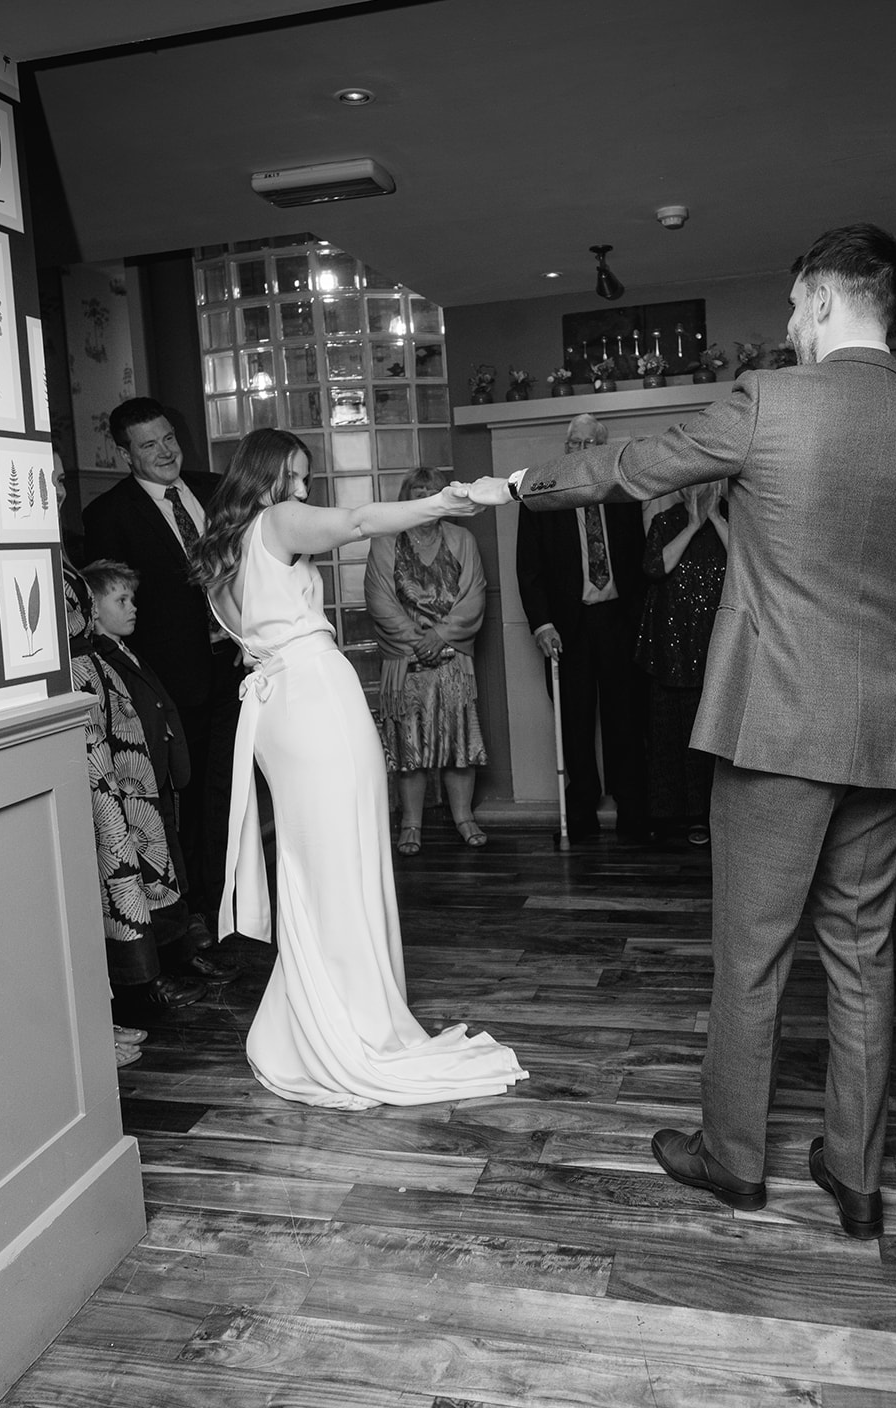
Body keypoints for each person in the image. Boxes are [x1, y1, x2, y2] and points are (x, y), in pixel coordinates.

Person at [467, 224, 896, 1238]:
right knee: (860, 953)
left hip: (773, 727)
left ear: (826, 299)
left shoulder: (771, 403)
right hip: (890, 732)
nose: (789, 324)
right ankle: (855, 1174)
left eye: (795, 305)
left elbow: (630, 467)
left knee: (749, 956)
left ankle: (733, 1160)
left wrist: (518, 486)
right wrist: (878, 651)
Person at [191, 428, 527, 1110]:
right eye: (298, 475)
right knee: (345, 856)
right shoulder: (277, 519)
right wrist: (448, 500)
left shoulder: (222, 552)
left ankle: (317, 1013)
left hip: (276, 712)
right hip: (315, 700)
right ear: (272, 472)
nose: (305, 490)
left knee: (316, 865)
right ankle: (356, 1023)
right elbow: (358, 522)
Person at [54, 454, 205, 1052]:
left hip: (107, 716)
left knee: (142, 846)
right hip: (83, 715)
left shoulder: (57, 549)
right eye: (56, 476)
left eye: (66, 476)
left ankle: (150, 976)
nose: (62, 488)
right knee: (112, 854)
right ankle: (128, 991)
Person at [83, 397, 238, 943]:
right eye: (149, 445)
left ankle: (237, 899)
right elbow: (113, 614)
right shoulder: (107, 516)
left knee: (234, 788)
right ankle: (197, 911)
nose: (166, 451)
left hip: (241, 667)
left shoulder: (218, 489)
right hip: (175, 683)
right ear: (125, 454)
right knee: (187, 797)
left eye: (169, 438)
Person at [85, 558, 241, 984]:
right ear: (93, 609)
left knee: (171, 867)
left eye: (132, 598)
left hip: (159, 778)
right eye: (121, 599)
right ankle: (163, 967)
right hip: (138, 785)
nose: (133, 607)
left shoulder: (126, 649)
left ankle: (182, 954)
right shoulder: (99, 661)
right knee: (153, 873)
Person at [514, 414, 648, 843]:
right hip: (566, 627)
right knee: (574, 720)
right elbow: (528, 568)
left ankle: (632, 809)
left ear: (603, 449)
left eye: (591, 443)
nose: (582, 451)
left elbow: (639, 560)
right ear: (566, 447)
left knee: (625, 718)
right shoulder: (541, 494)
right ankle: (583, 809)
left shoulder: (622, 493)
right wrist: (541, 625)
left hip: (617, 622)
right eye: (575, 443)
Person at [364, 467, 488, 855]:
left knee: (459, 746)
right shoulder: (385, 542)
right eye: (419, 492)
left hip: (452, 663)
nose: (428, 498)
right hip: (407, 665)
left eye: (434, 491)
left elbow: (475, 595)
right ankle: (411, 824)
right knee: (409, 752)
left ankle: (464, 818)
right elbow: (379, 600)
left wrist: (441, 635)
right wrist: (419, 641)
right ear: (408, 499)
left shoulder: (462, 539)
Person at [635, 481, 728, 846]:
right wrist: (691, 525)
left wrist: (715, 518)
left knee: (709, 740)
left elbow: (747, 564)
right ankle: (670, 817)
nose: (698, 488)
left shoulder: (735, 519)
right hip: (671, 645)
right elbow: (655, 567)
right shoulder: (665, 521)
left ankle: (707, 818)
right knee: (668, 734)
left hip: (715, 645)